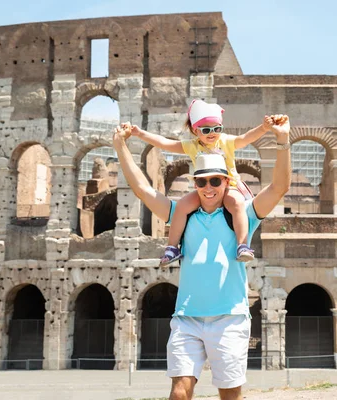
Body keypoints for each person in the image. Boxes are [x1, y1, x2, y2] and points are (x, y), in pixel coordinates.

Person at [113, 114, 291, 400]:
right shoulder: (181, 215)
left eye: (215, 181)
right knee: (179, 393)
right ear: (194, 184)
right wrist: (121, 146)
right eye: (201, 182)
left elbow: (279, 188)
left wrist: (282, 142)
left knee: (229, 395)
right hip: (187, 318)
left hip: (229, 318)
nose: (208, 188)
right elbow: (143, 190)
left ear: (226, 181)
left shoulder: (244, 214)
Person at [119, 99, 275, 266]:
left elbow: (246, 138)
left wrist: (264, 128)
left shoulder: (226, 141)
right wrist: (139, 133)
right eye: (206, 130)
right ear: (195, 130)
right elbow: (165, 143)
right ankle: (172, 247)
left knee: (236, 203)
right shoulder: (191, 146)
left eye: (217, 128)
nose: (212, 133)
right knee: (181, 206)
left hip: (229, 186)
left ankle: (242, 245)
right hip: (204, 188)